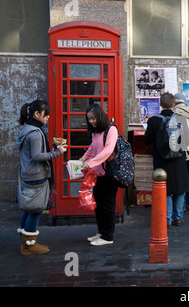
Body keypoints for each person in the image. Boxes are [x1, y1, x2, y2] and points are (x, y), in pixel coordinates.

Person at [17, 99, 67, 255]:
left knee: (28, 209)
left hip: (27, 174)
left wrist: (50, 148)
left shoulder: (26, 129)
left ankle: (25, 243)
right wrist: (57, 152)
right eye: (46, 115)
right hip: (36, 175)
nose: (48, 118)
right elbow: (37, 156)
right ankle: (30, 245)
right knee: (36, 210)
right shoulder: (36, 133)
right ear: (37, 114)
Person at [144, 92, 189, 227]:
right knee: (179, 188)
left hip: (161, 159)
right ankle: (178, 217)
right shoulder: (181, 119)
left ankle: (167, 219)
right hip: (179, 159)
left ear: (160, 104)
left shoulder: (153, 120)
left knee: (165, 189)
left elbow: (147, 140)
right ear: (174, 104)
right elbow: (188, 140)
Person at [79, 104, 119, 245]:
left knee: (107, 206)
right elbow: (92, 148)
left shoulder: (111, 130)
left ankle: (108, 237)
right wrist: (83, 159)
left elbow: (108, 151)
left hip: (109, 173)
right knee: (99, 205)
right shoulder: (96, 132)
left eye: (94, 118)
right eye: (89, 119)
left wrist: (90, 163)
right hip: (98, 173)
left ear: (100, 116)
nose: (92, 121)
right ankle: (101, 232)